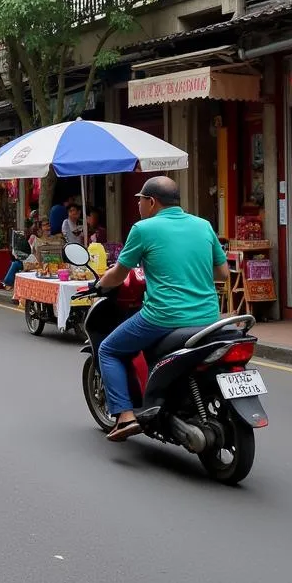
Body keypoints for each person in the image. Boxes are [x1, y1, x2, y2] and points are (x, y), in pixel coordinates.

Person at [94, 176, 228, 442]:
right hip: (209, 317)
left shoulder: (143, 229)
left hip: (163, 317)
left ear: (152, 202)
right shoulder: (203, 225)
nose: (138, 206)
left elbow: (119, 275)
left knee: (108, 349)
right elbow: (223, 273)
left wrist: (99, 285)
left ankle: (124, 416)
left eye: (141, 200)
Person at [2, 219, 50, 291]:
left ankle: (7, 283)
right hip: (34, 260)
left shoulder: (53, 237)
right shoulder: (34, 238)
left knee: (16, 264)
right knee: (16, 263)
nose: (48, 227)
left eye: (48, 224)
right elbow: (29, 249)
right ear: (39, 228)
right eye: (45, 225)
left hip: (42, 262)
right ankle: (8, 283)